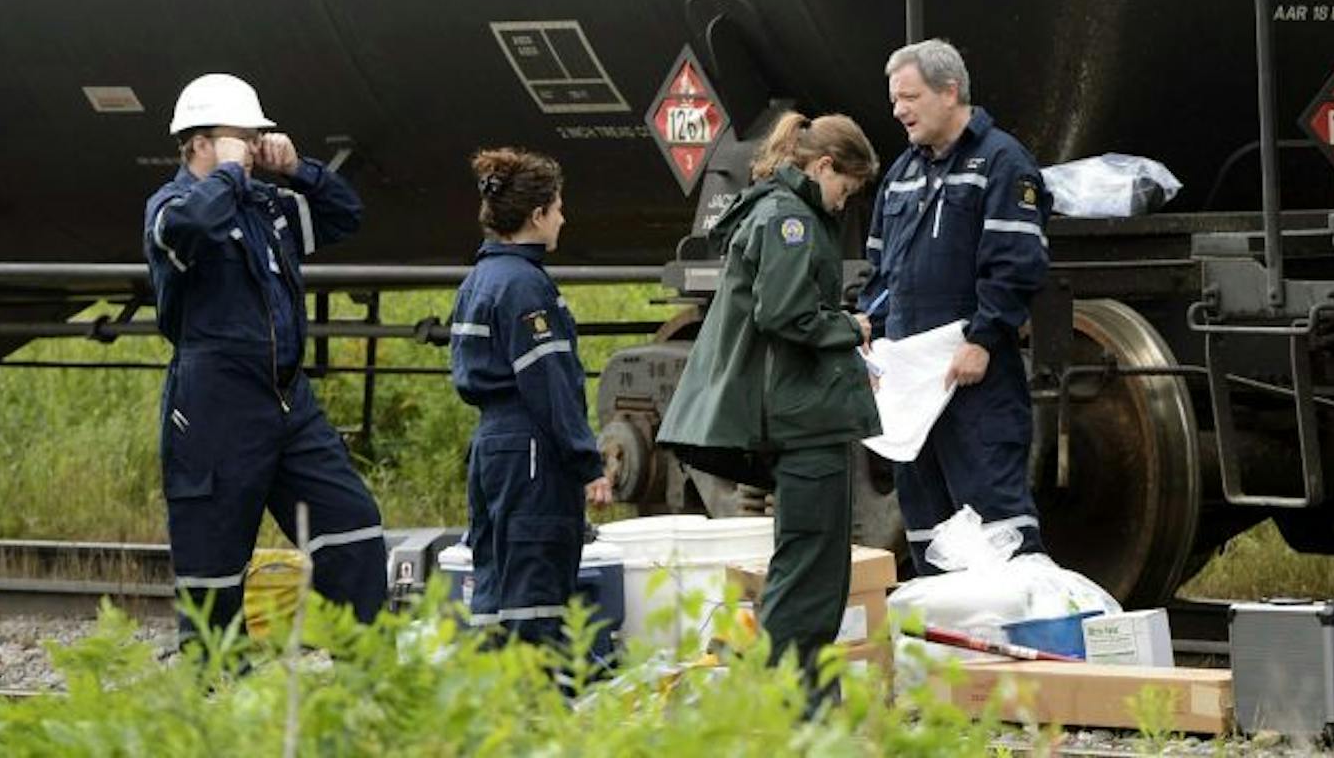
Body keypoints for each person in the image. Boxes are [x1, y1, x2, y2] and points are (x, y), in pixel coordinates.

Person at [142, 73, 386, 643]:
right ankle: (217, 693)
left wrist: (298, 170)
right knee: (215, 571)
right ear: (199, 142)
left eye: (254, 136)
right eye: (238, 136)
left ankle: (370, 676)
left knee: (352, 527)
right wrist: (228, 172)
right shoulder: (172, 207)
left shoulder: (264, 206)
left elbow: (344, 214)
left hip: (287, 403)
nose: (251, 146)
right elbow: (193, 226)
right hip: (215, 410)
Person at [657, 112, 880, 700]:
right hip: (804, 419)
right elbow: (784, 314)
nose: (842, 203)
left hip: (800, 411)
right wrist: (848, 327)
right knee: (811, 564)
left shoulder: (778, 211)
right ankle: (796, 704)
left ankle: (799, 697)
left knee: (810, 561)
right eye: (845, 189)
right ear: (824, 165)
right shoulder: (790, 221)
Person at [856, 39, 1052, 570]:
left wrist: (984, 339)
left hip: (973, 379)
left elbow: (1017, 262)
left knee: (998, 526)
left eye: (910, 96)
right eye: (895, 99)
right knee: (927, 527)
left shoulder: (1004, 163)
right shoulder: (901, 174)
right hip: (910, 386)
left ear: (950, 92)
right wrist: (868, 326)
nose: (899, 110)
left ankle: (1019, 641)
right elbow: (882, 269)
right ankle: (947, 648)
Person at [447, 147, 612, 655]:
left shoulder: (478, 280)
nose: (564, 217)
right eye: (558, 207)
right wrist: (588, 463)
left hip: (493, 447)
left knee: (494, 581)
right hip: (531, 451)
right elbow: (551, 385)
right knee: (536, 584)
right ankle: (539, 707)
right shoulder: (525, 287)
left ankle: (495, 701)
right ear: (537, 215)